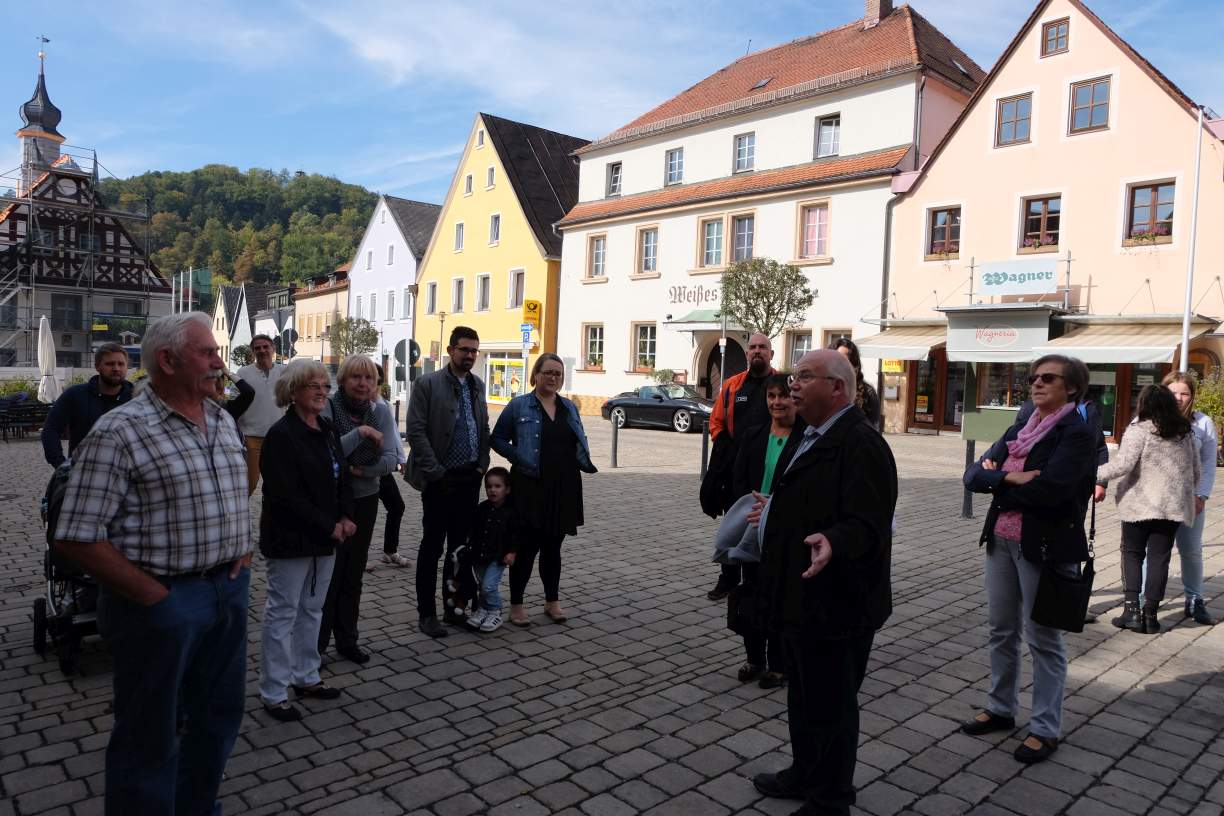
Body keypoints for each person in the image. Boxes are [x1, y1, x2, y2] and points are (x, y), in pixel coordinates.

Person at [53, 312, 251, 815]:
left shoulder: (223, 419)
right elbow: (75, 536)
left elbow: (232, 495)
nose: (218, 362)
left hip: (227, 593)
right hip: (161, 604)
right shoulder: (119, 431)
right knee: (149, 739)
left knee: (216, 722)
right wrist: (154, 597)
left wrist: (241, 548)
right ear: (167, 360)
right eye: (207, 353)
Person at [748, 350, 896, 816]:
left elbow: (870, 525)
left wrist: (834, 539)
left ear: (836, 388)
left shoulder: (863, 445)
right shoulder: (808, 434)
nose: (793, 384)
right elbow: (802, 493)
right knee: (803, 694)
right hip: (800, 596)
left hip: (840, 604)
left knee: (832, 704)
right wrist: (771, 508)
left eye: (804, 376)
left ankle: (832, 799)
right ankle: (804, 772)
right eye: (793, 375)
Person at [962, 354, 1096, 764]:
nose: (1036, 384)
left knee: (1043, 639)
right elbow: (971, 475)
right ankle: (1001, 708)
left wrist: (996, 480)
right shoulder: (1022, 426)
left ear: (1071, 387)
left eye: (1048, 378)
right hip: (1001, 541)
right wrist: (1007, 477)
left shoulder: (1077, 432)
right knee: (1001, 630)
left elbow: (1052, 491)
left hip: (1045, 546)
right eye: (1033, 378)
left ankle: (1044, 727)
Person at [257, 359, 355, 721]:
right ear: (293, 390)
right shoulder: (281, 436)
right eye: (313, 385)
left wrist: (345, 516)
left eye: (324, 386)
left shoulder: (326, 429)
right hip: (291, 539)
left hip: (325, 537)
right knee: (283, 613)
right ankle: (274, 690)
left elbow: (342, 476)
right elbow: (285, 495)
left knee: (312, 608)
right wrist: (328, 525)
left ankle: (306, 676)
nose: (321, 391)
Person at [492, 353, 597, 627]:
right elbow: (497, 438)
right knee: (526, 548)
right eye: (548, 372)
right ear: (535, 375)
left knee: (553, 548)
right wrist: (518, 457)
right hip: (530, 485)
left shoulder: (568, 407)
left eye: (557, 374)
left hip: (564, 486)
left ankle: (552, 601)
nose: (553, 378)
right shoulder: (519, 406)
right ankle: (516, 604)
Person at [405, 327, 491, 638]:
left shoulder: (477, 386)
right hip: (440, 479)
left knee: (460, 549)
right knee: (432, 548)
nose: (469, 355)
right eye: (464, 349)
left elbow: (483, 428)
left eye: (473, 351)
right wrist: (437, 472)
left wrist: (482, 465)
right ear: (451, 351)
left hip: (469, 477)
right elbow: (416, 431)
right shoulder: (428, 384)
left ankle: (455, 609)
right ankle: (426, 614)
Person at [1097, 384, 1199, 635]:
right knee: (1159, 558)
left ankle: (1131, 612)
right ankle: (1151, 616)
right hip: (1171, 507)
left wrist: (1093, 473)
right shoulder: (1185, 432)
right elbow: (1195, 472)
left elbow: (1123, 464)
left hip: (1139, 503)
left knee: (1132, 554)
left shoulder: (1139, 429)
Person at [317, 355, 399, 664]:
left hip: (365, 497)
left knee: (353, 572)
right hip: (332, 500)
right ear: (342, 381)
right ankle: (318, 644)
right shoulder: (327, 408)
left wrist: (360, 472)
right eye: (356, 378)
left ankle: (347, 639)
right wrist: (362, 434)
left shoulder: (381, 412)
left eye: (369, 379)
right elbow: (328, 453)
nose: (363, 384)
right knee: (329, 573)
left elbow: (392, 459)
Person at [729, 372, 804, 689]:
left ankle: (779, 665)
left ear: (795, 400)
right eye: (772, 396)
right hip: (752, 527)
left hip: (785, 529)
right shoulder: (755, 434)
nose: (777, 402)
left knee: (780, 596)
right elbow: (739, 479)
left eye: (783, 396)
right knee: (751, 594)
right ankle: (754, 658)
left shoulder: (806, 438)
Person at [700, 332, 776, 601]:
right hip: (736, 469)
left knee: (763, 522)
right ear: (746, 355)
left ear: (771, 353)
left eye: (762, 347)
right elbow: (716, 422)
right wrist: (726, 450)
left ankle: (759, 579)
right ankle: (728, 578)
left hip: (769, 467)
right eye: (752, 347)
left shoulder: (780, 386)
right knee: (734, 522)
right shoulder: (732, 386)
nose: (757, 351)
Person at [1163, 372, 1217, 625]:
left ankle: (1195, 600)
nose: (1179, 398)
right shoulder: (1148, 419)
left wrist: (1202, 494)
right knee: (1153, 552)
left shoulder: (1202, 423)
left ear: (1192, 397)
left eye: (1184, 393)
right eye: (1174, 392)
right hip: (1157, 500)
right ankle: (1139, 600)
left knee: (1191, 551)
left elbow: (1208, 463)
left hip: (1190, 500)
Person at [41, 343, 133, 467]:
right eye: (110, 364)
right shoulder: (75, 395)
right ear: (97, 366)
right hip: (83, 474)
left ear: (127, 367)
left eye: (121, 364)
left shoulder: (136, 398)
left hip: (127, 475)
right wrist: (61, 465)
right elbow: (50, 429)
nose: (116, 368)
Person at [457, 466, 520, 633]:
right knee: (482, 585)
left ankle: (495, 611)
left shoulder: (511, 511)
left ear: (507, 490)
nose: (492, 490)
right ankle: (483, 609)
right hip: (479, 555)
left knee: (489, 586)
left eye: (497, 486)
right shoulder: (482, 508)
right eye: (489, 486)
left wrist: (512, 552)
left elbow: (516, 534)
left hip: (497, 556)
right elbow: (474, 531)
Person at [236, 333, 285, 495]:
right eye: (257, 348)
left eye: (266, 347)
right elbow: (228, 398)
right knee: (249, 484)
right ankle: (241, 515)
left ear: (273, 349)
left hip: (277, 437)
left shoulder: (284, 372)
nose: (262, 351)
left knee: (277, 484)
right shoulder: (242, 372)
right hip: (251, 437)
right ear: (252, 352)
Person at [373, 364, 410, 567]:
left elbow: (394, 433)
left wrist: (401, 458)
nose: (372, 384)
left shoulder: (383, 404)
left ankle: (390, 551)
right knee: (359, 514)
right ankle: (352, 557)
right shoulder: (354, 404)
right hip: (361, 469)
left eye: (377, 380)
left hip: (382, 467)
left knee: (397, 506)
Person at [829, 337, 881, 428]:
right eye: (838, 360)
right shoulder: (821, 387)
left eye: (847, 361)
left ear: (855, 365)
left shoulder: (867, 392)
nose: (842, 365)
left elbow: (873, 428)